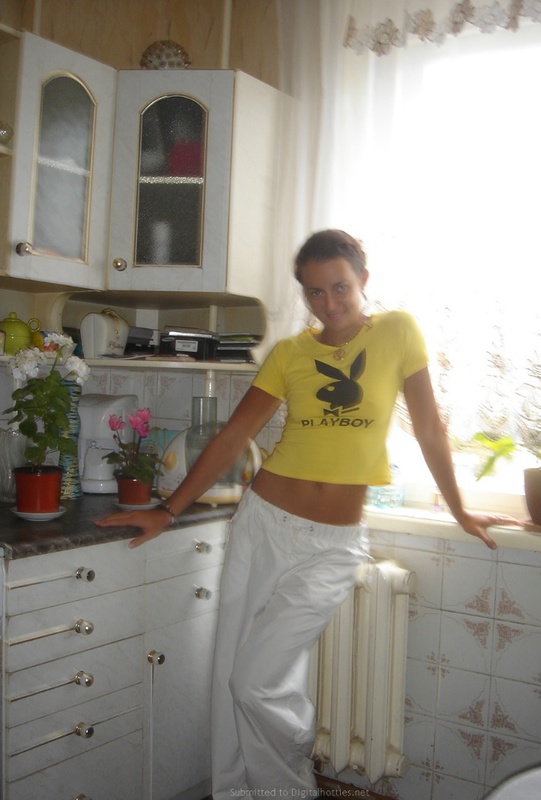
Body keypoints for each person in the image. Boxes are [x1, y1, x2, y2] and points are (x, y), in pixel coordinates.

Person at [96, 229, 517, 799]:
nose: (330, 302)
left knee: (255, 681)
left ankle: (291, 786)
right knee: (237, 672)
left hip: (333, 545)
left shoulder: (398, 331)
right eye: (315, 292)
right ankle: (248, 791)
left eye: (339, 286)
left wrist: (462, 510)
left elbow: (429, 429)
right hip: (264, 525)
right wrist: (167, 511)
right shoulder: (290, 354)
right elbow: (232, 437)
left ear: (363, 280)